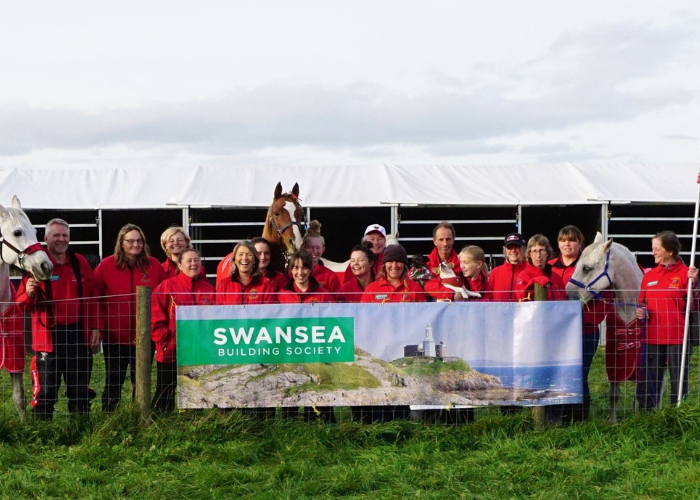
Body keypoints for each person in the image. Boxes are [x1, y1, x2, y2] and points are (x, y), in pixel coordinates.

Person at [16, 218, 100, 419]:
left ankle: (80, 430)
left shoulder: (80, 263)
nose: (61, 240)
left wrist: (96, 328)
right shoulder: (35, 264)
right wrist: (28, 293)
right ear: (45, 238)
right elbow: (22, 304)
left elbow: (94, 297)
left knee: (79, 389)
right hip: (48, 337)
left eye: (65, 236)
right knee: (46, 391)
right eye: (56, 235)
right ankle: (42, 436)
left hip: (78, 335)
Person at [94, 224, 166, 412]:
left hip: (144, 337)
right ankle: (110, 415)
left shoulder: (154, 265)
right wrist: (100, 326)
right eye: (130, 241)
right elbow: (95, 297)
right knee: (113, 379)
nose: (135, 244)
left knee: (140, 380)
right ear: (121, 243)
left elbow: (164, 295)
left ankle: (140, 415)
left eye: (139, 240)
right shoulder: (107, 265)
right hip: (115, 336)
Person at [549, 225, 606, 421]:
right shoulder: (550, 267)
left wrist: (586, 319)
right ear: (558, 244)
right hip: (557, 333)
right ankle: (559, 415)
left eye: (572, 240)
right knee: (558, 373)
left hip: (585, 331)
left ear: (580, 243)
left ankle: (580, 418)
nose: (567, 244)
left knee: (579, 375)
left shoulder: (589, 266)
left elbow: (602, 298)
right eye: (563, 240)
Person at [636, 231, 698, 409]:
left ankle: (677, 413)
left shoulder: (686, 274)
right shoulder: (649, 276)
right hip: (653, 336)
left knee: (678, 379)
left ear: (670, 251)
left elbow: (695, 302)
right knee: (651, 379)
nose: (653, 252)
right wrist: (641, 312)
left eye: (657, 249)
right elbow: (642, 303)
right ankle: (649, 413)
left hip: (678, 336)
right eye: (652, 248)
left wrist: (695, 283)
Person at [151, 248, 215, 412]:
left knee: (196, 390)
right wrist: (167, 342)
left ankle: (194, 426)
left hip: (198, 353)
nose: (193, 264)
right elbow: (155, 318)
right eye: (189, 260)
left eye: (197, 260)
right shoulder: (167, 286)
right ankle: (159, 424)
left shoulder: (208, 289)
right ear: (179, 264)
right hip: (171, 352)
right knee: (165, 391)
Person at [278, 250, 333, 421]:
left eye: (304, 268)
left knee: (318, 391)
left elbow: (331, 324)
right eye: (295, 267)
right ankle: (290, 425)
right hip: (290, 352)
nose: (299, 272)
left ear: (311, 269)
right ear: (290, 270)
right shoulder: (281, 295)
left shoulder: (323, 295)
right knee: (291, 389)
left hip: (315, 352)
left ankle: (320, 423)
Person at [362, 244, 427, 304]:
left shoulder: (415, 288)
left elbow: (423, 314)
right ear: (384, 265)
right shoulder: (371, 289)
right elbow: (362, 315)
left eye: (398, 261)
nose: (394, 265)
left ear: (404, 265)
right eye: (390, 261)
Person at [515, 235, 567, 301]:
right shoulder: (523, 277)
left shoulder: (556, 277)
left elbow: (564, 302)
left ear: (547, 253)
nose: (538, 255)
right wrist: (536, 281)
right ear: (529, 254)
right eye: (534, 251)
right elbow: (522, 299)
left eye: (541, 250)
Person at [424, 222, 463, 299]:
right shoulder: (425, 264)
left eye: (448, 239)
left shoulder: (462, 263)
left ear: (453, 240)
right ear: (434, 241)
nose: (445, 243)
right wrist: (452, 293)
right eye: (441, 240)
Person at [302, 222, 340, 295]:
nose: (315, 251)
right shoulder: (296, 274)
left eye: (318, 247)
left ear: (323, 249)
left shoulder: (330, 276)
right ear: (304, 248)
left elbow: (336, 303)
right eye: (311, 247)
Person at [488, 233, 528, 302]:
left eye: (516, 247)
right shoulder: (495, 273)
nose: (513, 250)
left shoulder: (530, 270)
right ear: (505, 250)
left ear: (523, 249)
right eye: (510, 247)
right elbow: (489, 298)